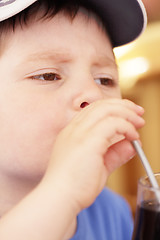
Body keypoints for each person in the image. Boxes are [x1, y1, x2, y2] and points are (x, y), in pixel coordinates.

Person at [0, 0, 147, 239]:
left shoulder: (112, 211)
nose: (93, 93)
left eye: (105, 80)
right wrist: (63, 192)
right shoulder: (72, 193)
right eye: (48, 75)